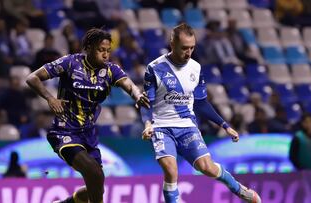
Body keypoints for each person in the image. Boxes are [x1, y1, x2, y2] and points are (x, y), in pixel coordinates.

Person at [140, 23, 261, 203]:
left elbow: (202, 102)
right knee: (171, 169)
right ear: (172, 44)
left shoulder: (195, 68)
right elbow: (145, 102)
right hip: (162, 127)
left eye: (192, 48)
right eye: (184, 48)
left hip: (187, 127)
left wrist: (224, 125)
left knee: (207, 167)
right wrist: (148, 124)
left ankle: (240, 190)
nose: (188, 53)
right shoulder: (154, 68)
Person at [26, 28, 149, 203]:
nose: (106, 55)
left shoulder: (110, 70)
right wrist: (50, 98)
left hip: (88, 134)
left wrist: (137, 95)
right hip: (64, 131)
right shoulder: (70, 63)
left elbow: (129, 85)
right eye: (101, 50)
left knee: (96, 185)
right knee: (94, 172)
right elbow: (32, 78)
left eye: (108, 51)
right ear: (89, 48)